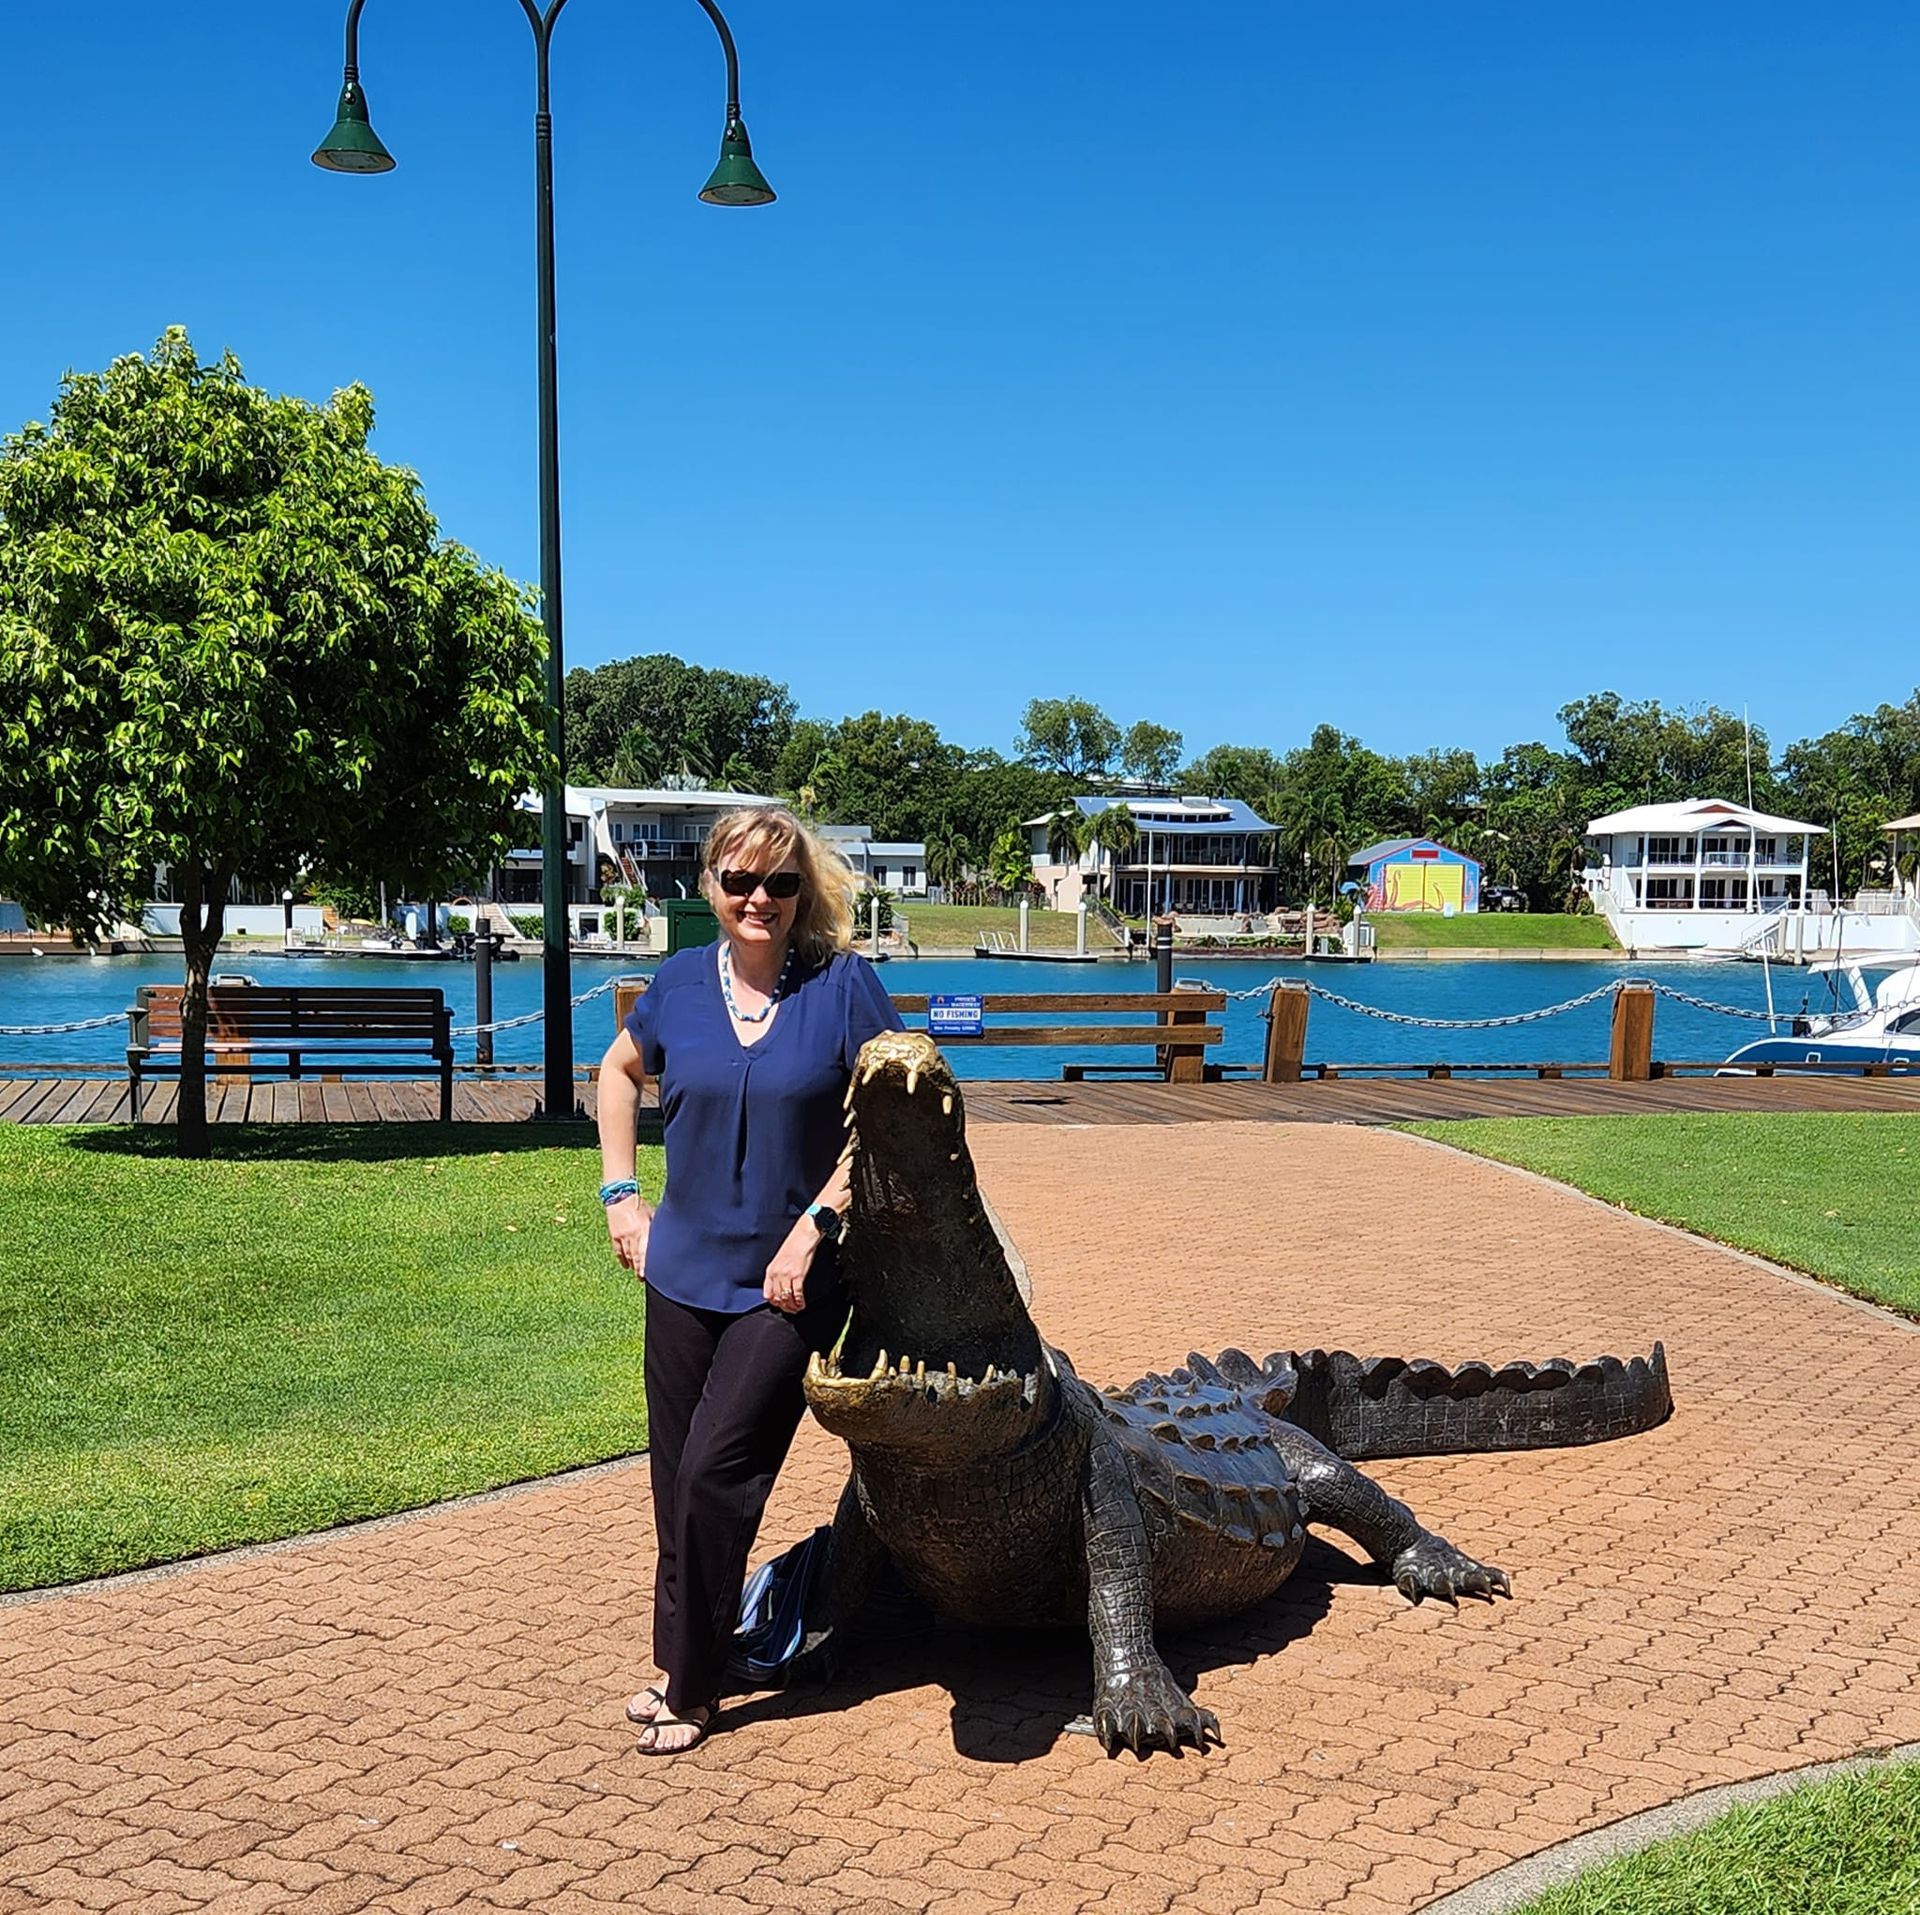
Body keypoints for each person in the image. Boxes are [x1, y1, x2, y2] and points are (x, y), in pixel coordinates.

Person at [595, 805, 904, 1755]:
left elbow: (890, 1116)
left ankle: (693, 1693)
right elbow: (618, 1068)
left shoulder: (845, 985)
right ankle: (686, 1656)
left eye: (778, 882)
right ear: (711, 888)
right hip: (682, 1270)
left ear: (803, 891)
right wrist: (621, 1197)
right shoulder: (682, 983)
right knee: (671, 1482)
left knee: (716, 1474)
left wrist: (817, 1225)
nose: (758, 899)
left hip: (791, 1282)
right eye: (739, 881)